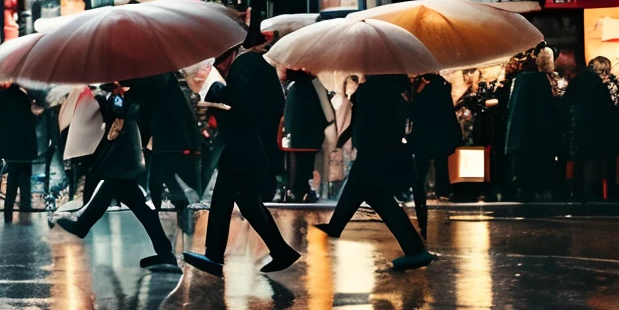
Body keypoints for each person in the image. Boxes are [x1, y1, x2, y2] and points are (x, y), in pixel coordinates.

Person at [181, 33, 301, 277]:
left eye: (217, 56)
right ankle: (280, 251)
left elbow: (243, 103)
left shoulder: (245, 63)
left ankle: (215, 256)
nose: (215, 62)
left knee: (227, 198)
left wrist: (218, 91)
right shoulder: (254, 63)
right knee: (244, 200)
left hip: (243, 146)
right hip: (245, 145)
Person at [52, 83, 180, 270]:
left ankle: (83, 222)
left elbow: (125, 109)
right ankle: (164, 252)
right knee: (134, 198)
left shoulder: (136, 85)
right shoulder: (129, 86)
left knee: (116, 186)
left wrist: (115, 96)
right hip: (129, 150)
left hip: (128, 150)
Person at [314, 74, 436, 270]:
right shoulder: (393, 88)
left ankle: (415, 250)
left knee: (373, 194)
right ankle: (336, 226)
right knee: (366, 190)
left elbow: (368, 121)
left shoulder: (376, 89)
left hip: (374, 149)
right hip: (378, 149)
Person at [128, 72, 204, 228]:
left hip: (164, 140)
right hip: (171, 140)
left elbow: (142, 105)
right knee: (164, 178)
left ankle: (158, 219)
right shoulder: (167, 80)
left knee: (157, 180)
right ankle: (181, 212)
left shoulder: (154, 81)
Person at [563, 52, 619, 201]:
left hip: (581, 135)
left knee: (583, 168)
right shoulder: (606, 89)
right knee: (601, 169)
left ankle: (582, 196)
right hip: (602, 137)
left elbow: (566, 109)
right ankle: (601, 197)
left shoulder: (577, 85)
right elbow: (613, 114)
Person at [407, 72, 459, 236]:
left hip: (425, 133)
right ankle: (440, 190)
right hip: (435, 133)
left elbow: (415, 110)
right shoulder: (442, 86)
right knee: (438, 162)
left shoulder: (426, 88)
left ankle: (424, 191)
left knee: (423, 166)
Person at [505, 55, 561, 200]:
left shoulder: (520, 83)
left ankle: (525, 191)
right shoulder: (542, 82)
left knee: (524, 178)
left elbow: (515, 116)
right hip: (540, 140)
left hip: (522, 141)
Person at [0, 82, 38, 223]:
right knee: (25, 181)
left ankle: (8, 213)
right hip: (26, 145)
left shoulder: (3, 95)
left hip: (11, 146)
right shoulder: (27, 97)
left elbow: (0, 121)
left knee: (12, 180)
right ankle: (25, 212)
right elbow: (32, 120)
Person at [280, 69, 329, 203]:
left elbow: (291, 117)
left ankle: (295, 192)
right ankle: (301, 192)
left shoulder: (296, 89)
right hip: (308, 138)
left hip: (297, 139)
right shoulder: (310, 87)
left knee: (296, 168)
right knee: (305, 167)